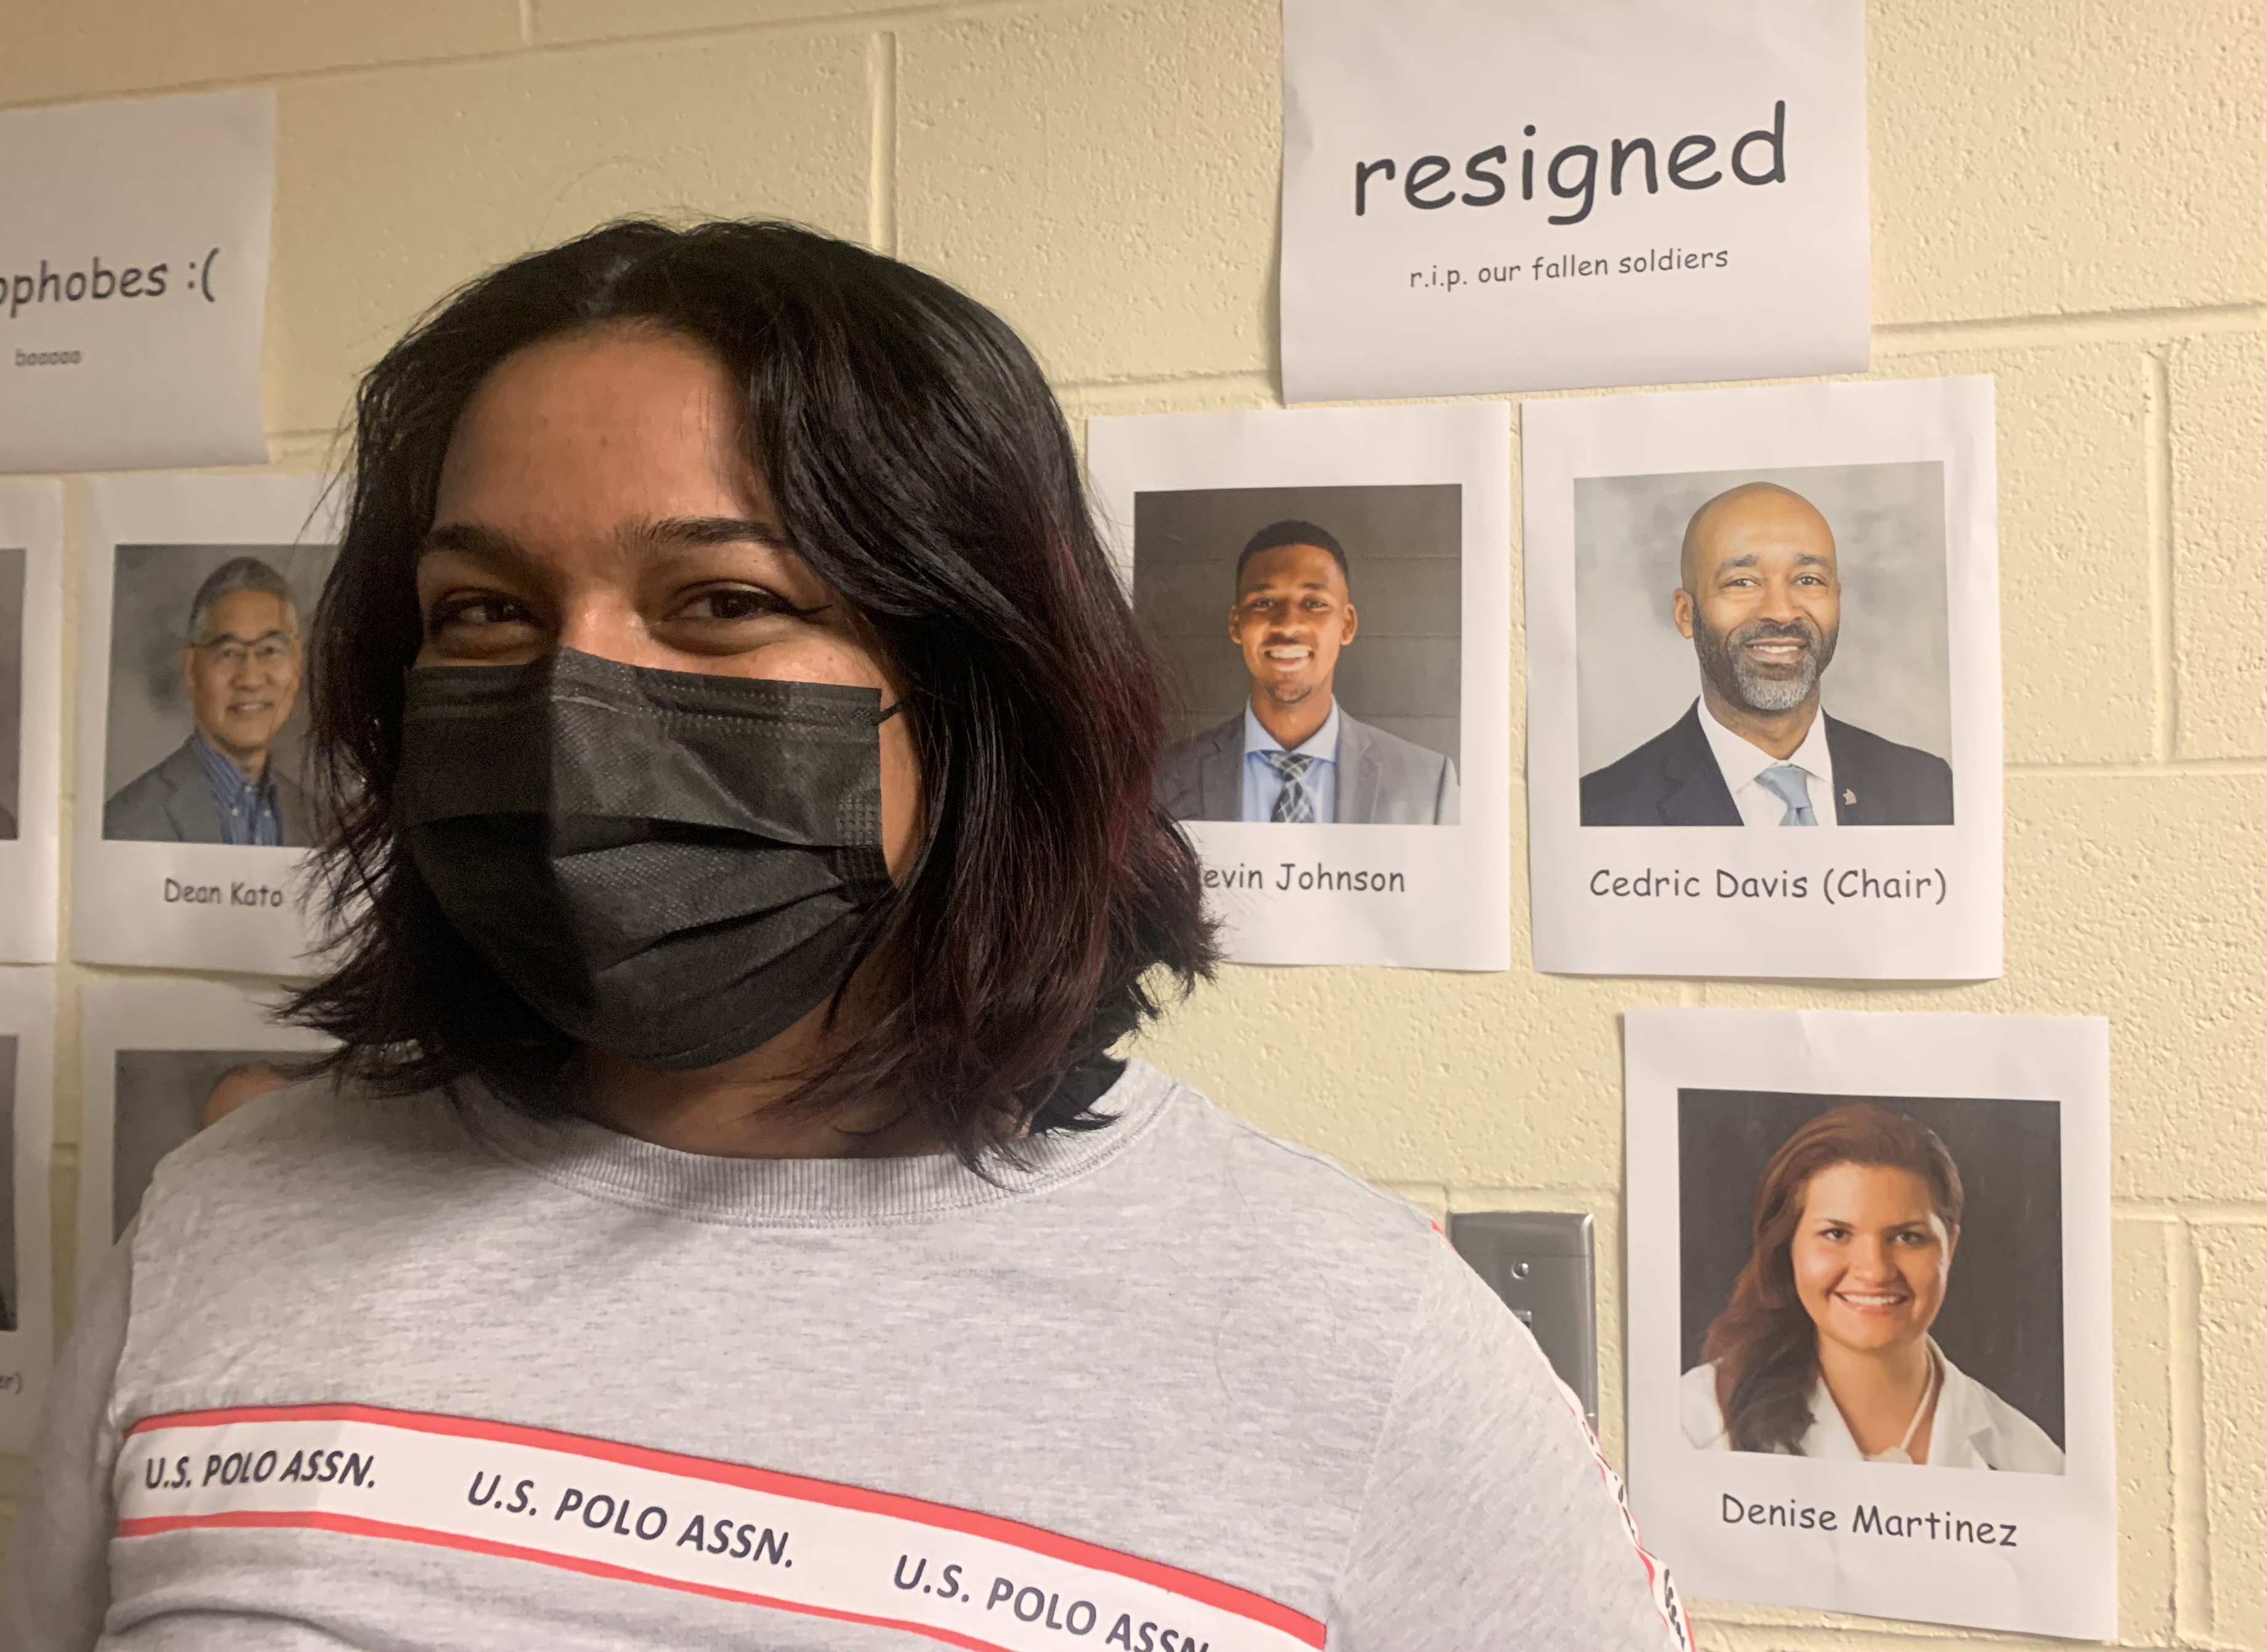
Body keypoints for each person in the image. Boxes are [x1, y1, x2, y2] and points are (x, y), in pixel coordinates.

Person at [5, 220, 1687, 1651]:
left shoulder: (1375, 1355)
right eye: (487, 611)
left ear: (976, 687)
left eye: (723, 603)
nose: (572, 696)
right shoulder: (228, 1224)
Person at [1679, 1103, 2063, 1473]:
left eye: (1908, 1238)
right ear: (1788, 1246)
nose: (1875, 1271)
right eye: (1836, 1234)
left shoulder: (2032, 1463)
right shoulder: (1691, 1425)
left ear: (1951, 1247)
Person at [1578, 482, 1952, 827]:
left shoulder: (1928, 790)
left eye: (1808, 580)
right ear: (1686, 614)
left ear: (1837, 599)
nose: (1781, 611)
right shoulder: (1601, 811)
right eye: (1742, 582)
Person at [1155, 520, 1459, 825]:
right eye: (1263, 603)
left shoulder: (1430, 786)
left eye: (1314, 604)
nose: (1288, 625)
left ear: (1347, 624)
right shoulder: (1164, 782)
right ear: (1236, 624)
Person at [101, 555, 318, 846]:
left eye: (270, 650)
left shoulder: (324, 826)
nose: (251, 678)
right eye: (228, 652)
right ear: (191, 670)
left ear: (297, 666)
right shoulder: (126, 823)